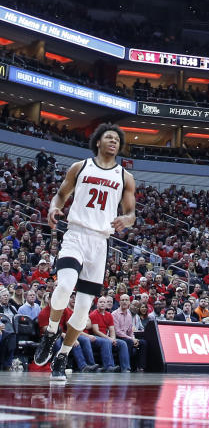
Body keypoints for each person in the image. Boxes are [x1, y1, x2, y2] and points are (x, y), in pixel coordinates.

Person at [34, 124, 137, 382]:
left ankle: (63, 355)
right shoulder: (80, 167)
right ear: (98, 142)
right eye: (109, 137)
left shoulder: (125, 176)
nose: (114, 141)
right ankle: (50, 334)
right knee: (64, 285)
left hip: (100, 242)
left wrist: (127, 219)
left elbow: (131, 213)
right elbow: (60, 195)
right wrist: (52, 208)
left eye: (117, 139)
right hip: (76, 234)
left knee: (82, 309)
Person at [88, 296, 131, 372]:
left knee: (122, 343)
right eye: (100, 302)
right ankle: (109, 366)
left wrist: (113, 339)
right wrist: (109, 339)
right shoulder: (93, 314)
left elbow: (112, 330)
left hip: (106, 338)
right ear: (97, 304)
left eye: (104, 302)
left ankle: (125, 368)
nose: (102, 304)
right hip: (95, 338)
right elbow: (96, 331)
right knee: (106, 341)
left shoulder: (109, 314)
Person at [113, 294, 146, 372]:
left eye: (126, 300)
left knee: (143, 342)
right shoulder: (114, 314)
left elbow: (130, 331)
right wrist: (131, 339)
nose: (124, 302)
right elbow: (117, 332)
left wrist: (134, 339)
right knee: (129, 342)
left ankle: (141, 367)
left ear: (129, 302)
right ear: (119, 302)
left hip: (127, 337)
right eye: (122, 300)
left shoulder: (129, 315)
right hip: (117, 337)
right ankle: (127, 367)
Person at [0, 287, 17, 370]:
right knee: (9, 336)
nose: (6, 297)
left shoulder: (13, 308)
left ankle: (7, 363)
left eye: (7, 295)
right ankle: (6, 363)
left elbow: (17, 319)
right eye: (4, 296)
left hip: (12, 331)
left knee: (12, 336)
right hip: (2, 330)